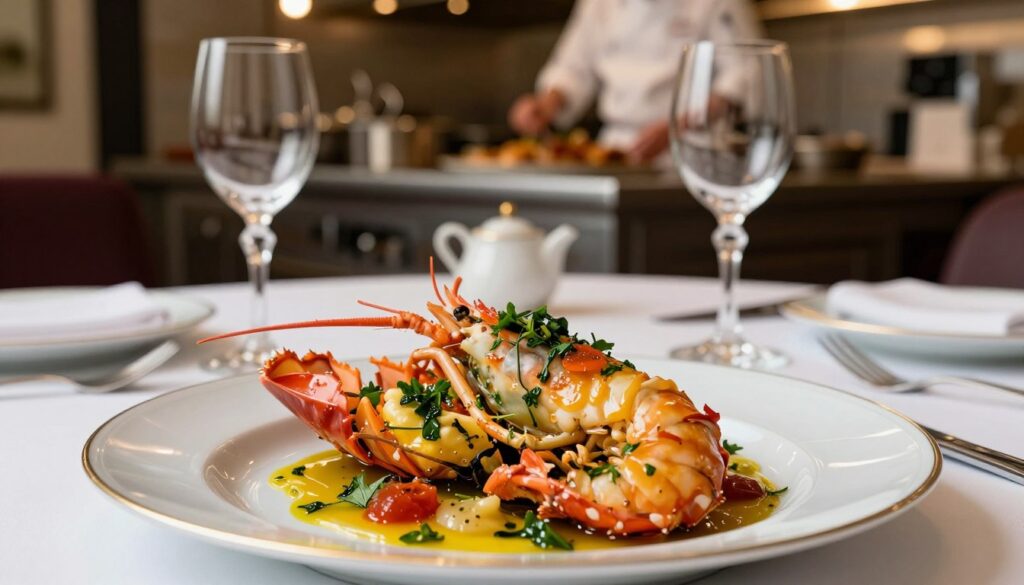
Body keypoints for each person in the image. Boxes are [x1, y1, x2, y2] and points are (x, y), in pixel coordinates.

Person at [509, 0, 763, 165]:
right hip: (616, 152)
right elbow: (573, 68)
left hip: (693, 152)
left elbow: (745, 73)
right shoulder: (598, 4)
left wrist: (676, 127)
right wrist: (546, 105)